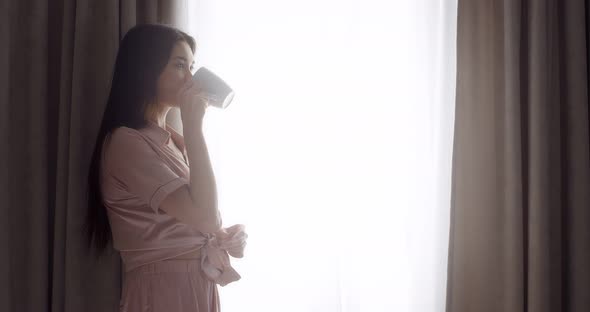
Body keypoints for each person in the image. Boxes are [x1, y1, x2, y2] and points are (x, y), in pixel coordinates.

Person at [83, 23, 247, 312]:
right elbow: (205, 217)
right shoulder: (126, 142)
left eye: (192, 66)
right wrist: (194, 126)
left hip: (197, 285)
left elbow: (201, 220)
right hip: (164, 289)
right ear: (146, 68)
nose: (191, 78)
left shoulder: (173, 141)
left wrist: (224, 238)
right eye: (180, 65)